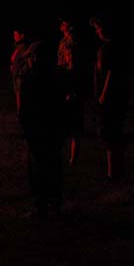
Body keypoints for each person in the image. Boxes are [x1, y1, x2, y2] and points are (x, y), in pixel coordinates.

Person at [17, 38, 66, 221]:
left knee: (38, 169)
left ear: (36, 57)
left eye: (30, 57)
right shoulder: (58, 76)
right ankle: (55, 204)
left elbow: (26, 108)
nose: (28, 60)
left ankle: (41, 206)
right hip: (54, 129)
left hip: (38, 131)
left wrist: (26, 127)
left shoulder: (31, 79)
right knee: (54, 166)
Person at [90, 14, 128, 181]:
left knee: (110, 133)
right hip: (113, 97)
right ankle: (116, 170)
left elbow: (111, 72)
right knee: (112, 133)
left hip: (111, 98)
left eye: (98, 29)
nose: (97, 32)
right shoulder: (108, 48)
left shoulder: (110, 49)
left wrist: (104, 94)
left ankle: (113, 173)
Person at [56, 17, 85, 166]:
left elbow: (72, 66)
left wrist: (70, 89)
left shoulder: (70, 42)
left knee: (74, 124)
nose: (61, 25)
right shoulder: (64, 40)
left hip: (70, 84)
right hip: (64, 81)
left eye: (63, 22)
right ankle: (67, 156)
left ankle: (73, 159)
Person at [10, 26, 36, 113]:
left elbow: (27, 61)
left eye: (16, 35)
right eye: (14, 35)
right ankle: (19, 110)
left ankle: (22, 110)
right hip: (16, 73)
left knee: (21, 93)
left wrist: (21, 71)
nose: (14, 36)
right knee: (18, 93)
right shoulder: (16, 46)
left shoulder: (24, 47)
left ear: (22, 36)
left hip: (20, 74)